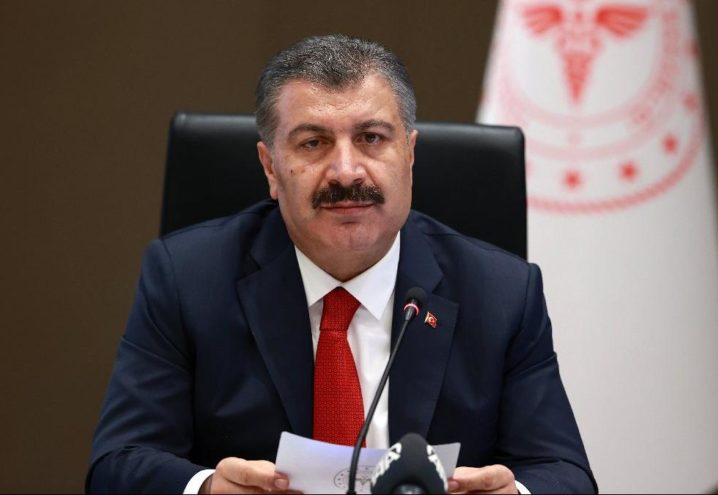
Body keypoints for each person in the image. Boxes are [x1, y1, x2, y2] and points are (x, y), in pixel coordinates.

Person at [87, 34, 595, 494]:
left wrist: (515, 493)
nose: (347, 171)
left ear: (409, 155)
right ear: (270, 168)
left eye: (371, 138)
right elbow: (117, 464)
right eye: (313, 143)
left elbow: (564, 473)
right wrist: (205, 489)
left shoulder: (502, 291)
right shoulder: (186, 278)